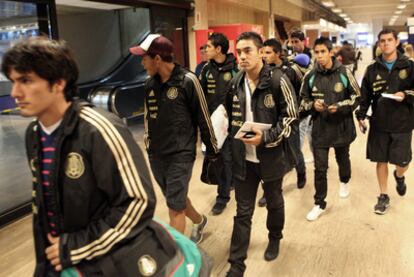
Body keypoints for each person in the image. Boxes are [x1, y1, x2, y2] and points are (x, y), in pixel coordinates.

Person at [2, 36, 208, 277]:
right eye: (13, 81)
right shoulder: (34, 135)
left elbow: (138, 202)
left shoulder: (98, 129)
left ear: (58, 83)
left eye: (25, 81)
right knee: (177, 199)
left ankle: (186, 240)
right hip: (59, 260)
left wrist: (75, 247)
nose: (15, 92)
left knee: (175, 203)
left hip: (103, 261)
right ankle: (199, 219)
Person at [130, 34, 219, 243]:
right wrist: (149, 146)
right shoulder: (149, 85)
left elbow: (203, 117)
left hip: (181, 153)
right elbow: (147, 118)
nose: (142, 63)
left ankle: (176, 260)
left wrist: (213, 151)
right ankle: (199, 220)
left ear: (158, 59)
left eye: (144, 58)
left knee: (174, 209)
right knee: (174, 199)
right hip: (157, 155)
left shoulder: (188, 81)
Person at [225, 32, 298, 276]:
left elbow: (290, 119)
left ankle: (275, 237)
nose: (242, 56)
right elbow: (229, 115)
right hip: (244, 159)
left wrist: (266, 138)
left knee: (274, 202)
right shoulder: (235, 82)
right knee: (243, 212)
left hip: (271, 157)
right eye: (239, 52)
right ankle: (236, 265)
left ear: (260, 52)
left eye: (247, 51)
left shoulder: (278, 80)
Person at [300, 37, 361, 221]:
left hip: (341, 127)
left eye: (322, 52)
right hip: (319, 130)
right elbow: (302, 101)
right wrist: (312, 105)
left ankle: (344, 182)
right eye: (316, 52)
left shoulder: (344, 72)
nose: (319, 56)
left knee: (343, 160)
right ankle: (319, 203)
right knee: (320, 168)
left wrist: (340, 106)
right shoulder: (310, 76)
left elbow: (357, 96)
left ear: (330, 52)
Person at [356, 29, 414, 215]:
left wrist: (405, 94)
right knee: (380, 160)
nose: (386, 43)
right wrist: (361, 116)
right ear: (379, 44)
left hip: (403, 122)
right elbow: (365, 96)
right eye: (382, 41)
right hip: (380, 122)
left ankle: (399, 175)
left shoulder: (409, 66)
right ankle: (383, 196)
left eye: (390, 40)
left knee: (403, 161)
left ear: (397, 42)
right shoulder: (372, 69)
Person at [256, 38, 307, 207]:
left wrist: (299, 108)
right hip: (270, 119)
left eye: (268, 52)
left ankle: (301, 172)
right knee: (269, 157)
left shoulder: (291, 69)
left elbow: (305, 88)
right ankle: (269, 191)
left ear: (278, 53)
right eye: (263, 52)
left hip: (289, 118)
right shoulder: (262, 71)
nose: (264, 56)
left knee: (293, 149)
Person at [199, 32, 238, 215]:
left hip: (232, 124)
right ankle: (227, 185)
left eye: (208, 46)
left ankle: (223, 197)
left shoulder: (236, 70)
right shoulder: (206, 69)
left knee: (228, 158)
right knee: (217, 158)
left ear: (219, 49)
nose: (205, 49)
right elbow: (200, 94)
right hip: (212, 125)